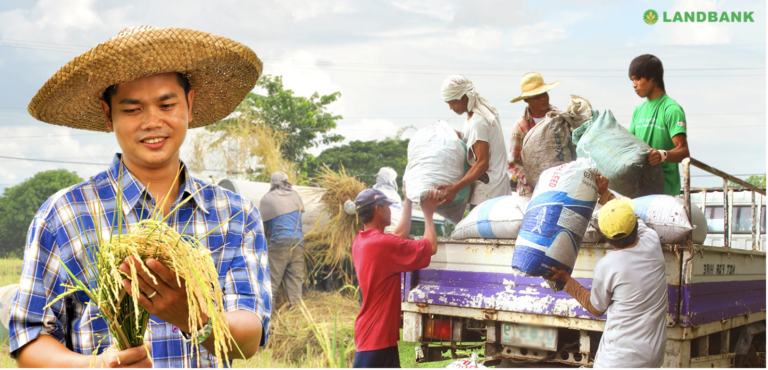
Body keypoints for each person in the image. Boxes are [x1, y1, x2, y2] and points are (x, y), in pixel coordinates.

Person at [10, 26, 270, 368]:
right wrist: (96, 365)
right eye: (132, 110)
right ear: (108, 114)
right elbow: (29, 339)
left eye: (166, 104)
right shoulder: (65, 214)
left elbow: (248, 339)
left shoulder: (235, 214)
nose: (152, 121)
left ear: (189, 106)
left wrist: (192, 315)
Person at [547, 176, 667, 368]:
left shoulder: (608, 265)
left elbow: (596, 308)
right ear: (635, 227)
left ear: (606, 237)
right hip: (652, 356)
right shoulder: (652, 241)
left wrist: (566, 280)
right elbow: (631, 218)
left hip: (618, 359)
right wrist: (605, 193)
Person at [351, 187, 441, 368]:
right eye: (387, 206)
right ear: (378, 209)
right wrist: (428, 214)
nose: (390, 210)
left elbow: (398, 236)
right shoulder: (382, 244)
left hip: (375, 335)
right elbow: (430, 247)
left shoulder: (362, 240)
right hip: (376, 338)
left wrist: (407, 201)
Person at [438, 75, 511, 210]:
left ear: (466, 96)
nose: (451, 107)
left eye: (453, 101)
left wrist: (455, 188)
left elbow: (482, 163)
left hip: (489, 195)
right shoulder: (473, 117)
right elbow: (471, 140)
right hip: (493, 192)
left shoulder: (479, 121)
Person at [629, 54, 690, 196]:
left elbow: (683, 151)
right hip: (640, 190)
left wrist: (662, 155)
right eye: (632, 80)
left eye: (637, 78)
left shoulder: (671, 109)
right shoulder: (638, 111)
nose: (634, 84)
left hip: (665, 192)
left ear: (652, 77)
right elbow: (630, 144)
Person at [508, 72, 562, 196]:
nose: (542, 98)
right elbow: (514, 163)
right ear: (527, 100)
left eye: (544, 94)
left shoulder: (560, 118)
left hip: (560, 186)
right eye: (537, 96)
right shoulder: (521, 128)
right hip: (530, 191)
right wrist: (531, 180)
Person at [260, 171, 305, 307]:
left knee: (271, 283)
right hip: (298, 243)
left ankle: (269, 320)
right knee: (295, 284)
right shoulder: (296, 196)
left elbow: (264, 229)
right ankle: (297, 317)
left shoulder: (268, 199)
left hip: (279, 243)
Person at [342, 167, 403, 234]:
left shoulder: (375, 193)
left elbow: (353, 208)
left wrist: (346, 201)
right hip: (398, 232)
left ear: (380, 179)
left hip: (382, 232)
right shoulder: (397, 197)